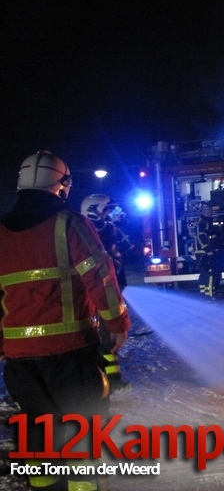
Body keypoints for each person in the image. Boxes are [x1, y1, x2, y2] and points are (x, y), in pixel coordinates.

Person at [0, 151, 130, 491]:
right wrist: (117, 324)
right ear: (63, 185)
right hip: (70, 355)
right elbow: (100, 277)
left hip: (19, 362)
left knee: (39, 428)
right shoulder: (69, 223)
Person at [81, 193, 133, 394]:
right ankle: (105, 381)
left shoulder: (108, 232)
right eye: (107, 212)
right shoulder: (87, 235)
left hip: (109, 291)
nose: (109, 216)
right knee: (100, 339)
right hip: (95, 295)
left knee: (108, 339)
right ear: (93, 212)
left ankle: (112, 381)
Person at [195, 203, 221, 297]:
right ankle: (208, 294)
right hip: (204, 253)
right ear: (204, 212)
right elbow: (201, 236)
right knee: (209, 272)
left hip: (205, 252)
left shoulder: (207, 221)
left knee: (206, 273)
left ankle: (205, 293)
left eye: (210, 211)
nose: (210, 212)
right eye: (208, 211)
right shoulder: (203, 222)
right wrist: (207, 249)